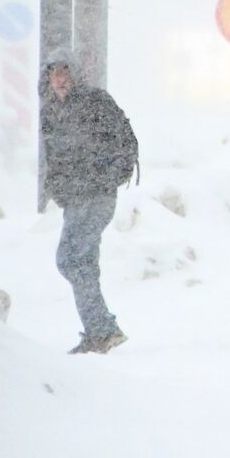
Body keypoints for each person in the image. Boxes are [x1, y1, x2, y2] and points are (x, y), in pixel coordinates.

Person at [41, 49, 137, 354]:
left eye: (65, 72)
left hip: (96, 196)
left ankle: (102, 330)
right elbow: (53, 158)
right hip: (74, 199)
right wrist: (56, 186)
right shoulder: (52, 113)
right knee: (83, 262)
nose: (60, 80)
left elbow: (127, 143)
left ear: (77, 74)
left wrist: (105, 177)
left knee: (70, 259)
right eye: (54, 73)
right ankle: (101, 332)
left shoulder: (96, 102)